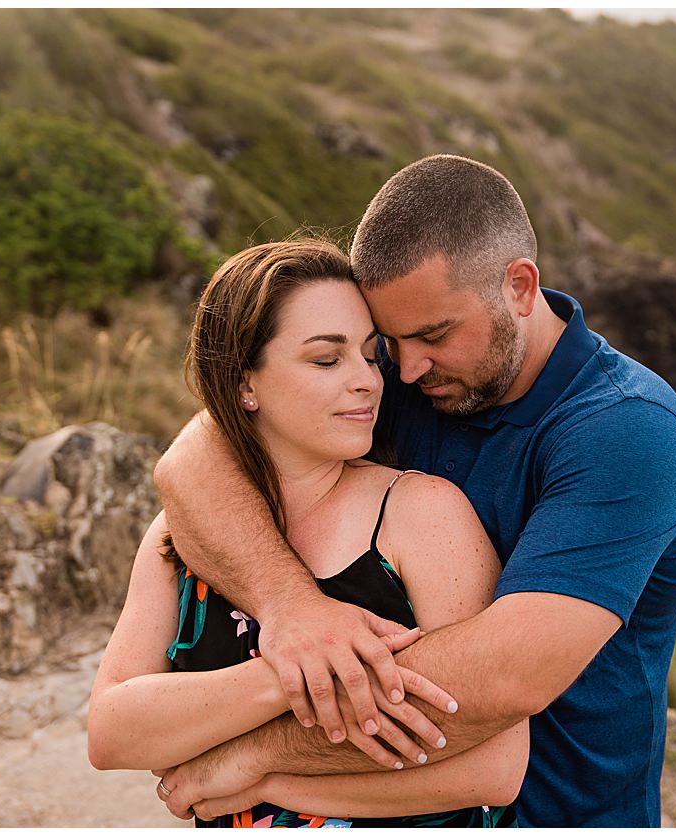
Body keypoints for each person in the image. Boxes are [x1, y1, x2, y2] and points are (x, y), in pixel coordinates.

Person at [148, 155, 676, 826]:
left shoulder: (624, 427)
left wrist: (259, 758)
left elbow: (509, 675)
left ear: (520, 287)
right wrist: (290, 608)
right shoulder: (401, 373)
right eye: (389, 340)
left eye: (434, 335)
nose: (404, 369)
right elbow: (193, 457)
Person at [87, 239, 527, 826]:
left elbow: (493, 771)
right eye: (327, 359)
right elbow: (111, 735)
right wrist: (291, 669)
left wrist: (266, 776)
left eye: (372, 357)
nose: (368, 382)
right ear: (246, 384)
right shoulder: (184, 535)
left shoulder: (421, 515)